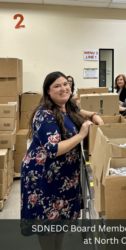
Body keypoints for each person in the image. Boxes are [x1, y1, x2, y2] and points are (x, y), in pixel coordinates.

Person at [20, 72, 104, 249]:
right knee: (48, 225)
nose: (63, 88)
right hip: (45, 177)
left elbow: (82, 111)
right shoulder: (45, 115)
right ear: (48, 92)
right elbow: (53, 149)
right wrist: (81, 134)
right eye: (57, 86)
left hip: (63, 178)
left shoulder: (68, 106)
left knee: (59, 223)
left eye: (65, 84)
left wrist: (95, 115)